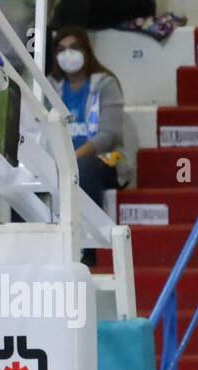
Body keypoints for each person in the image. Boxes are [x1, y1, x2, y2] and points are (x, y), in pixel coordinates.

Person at [48, 27, 132, 226]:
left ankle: (90, 250)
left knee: (82, 167)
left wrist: (73, 158)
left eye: (74, 47)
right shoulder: (50, 88)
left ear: (86, 50)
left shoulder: (105, 84)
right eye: (61, 49)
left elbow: (109, 136)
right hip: (61, 162)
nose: (67, 54)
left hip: (103, 161)